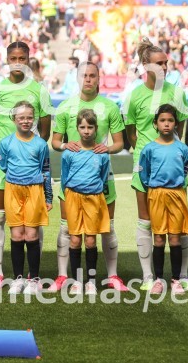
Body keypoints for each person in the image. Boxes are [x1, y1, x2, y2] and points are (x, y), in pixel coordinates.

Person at [122, 39, 188, 291]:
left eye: (166, 63)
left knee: (177, 223)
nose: (164, 67)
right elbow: (131, 134)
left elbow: (180, 127)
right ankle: (149, 277)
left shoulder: (177, 92)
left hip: (172, 166)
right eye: (158, 63)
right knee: (147, 222)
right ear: (145, 65)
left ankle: (181, 276)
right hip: (144, 167)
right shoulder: (133, 96)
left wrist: (170, 151)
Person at [51, 61, 126, 292]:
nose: (88, 79)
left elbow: (120, 143)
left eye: (93, 75)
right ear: (77, 77)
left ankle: (112, 276)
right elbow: (54, 142)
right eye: (84, 75)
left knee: (106, 228)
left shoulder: (110, 107)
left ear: (98, 78)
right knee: (67, 228)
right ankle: (64, 276)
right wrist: (65, 144)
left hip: (100, 175)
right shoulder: (65, 107)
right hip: (73, 178)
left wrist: (107, 149)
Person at [0, 41, 51, 291]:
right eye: (13, 58)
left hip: (29, 166)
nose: (17, 62)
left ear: (28, 59)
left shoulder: (39, 90)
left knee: (33, 221)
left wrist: (30, 153)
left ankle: (33, 275)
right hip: (2, 161)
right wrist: (4, 150)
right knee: (0, 216)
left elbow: (45, 128)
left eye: (22, 58)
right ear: (6, 59)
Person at [0, 101, 52, 296]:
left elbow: (45, 170)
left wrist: (48, 196)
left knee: (32, 235)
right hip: (13, 190)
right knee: (16, 235)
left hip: (35, 191)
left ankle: (34, 279)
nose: (26, 121)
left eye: (29, 117)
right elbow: (3, 165)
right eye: (21, 117)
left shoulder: (40, 144)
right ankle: (18, 278)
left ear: (34, 119)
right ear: (14, 119)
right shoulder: (6, 143)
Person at [139, 104, 188, 295]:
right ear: (155, 124)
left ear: (176, 123)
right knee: (159, 238)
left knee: (175, 237)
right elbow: (144, 172)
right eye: (162, 120)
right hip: (157, 194)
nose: (166, 124)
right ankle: (159, 280)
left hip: (176, 194)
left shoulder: (182, 148)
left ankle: (176, 280)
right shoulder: (150, 149)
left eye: (170, 120)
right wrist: (153, 187)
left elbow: (186, 168)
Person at [60, 109, 111, 296]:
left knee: (90, 241)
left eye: (90, 127)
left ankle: (90, 282)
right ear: (77, 129)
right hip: (73, 197)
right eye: (82, 127)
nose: (86, 131)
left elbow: (103, 177)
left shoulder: (102, 154)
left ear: (96, 128)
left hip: (94, 198)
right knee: (74, 240)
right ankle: (76, 281)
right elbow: (65, 177)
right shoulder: (69, 153)